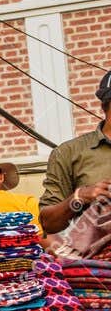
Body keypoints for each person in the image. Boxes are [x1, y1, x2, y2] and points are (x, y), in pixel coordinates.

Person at [40, 71, 111, 235]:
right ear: (104, 106)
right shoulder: (68, 153)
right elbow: (48, 223)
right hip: (98, 257)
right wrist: (78, 197)